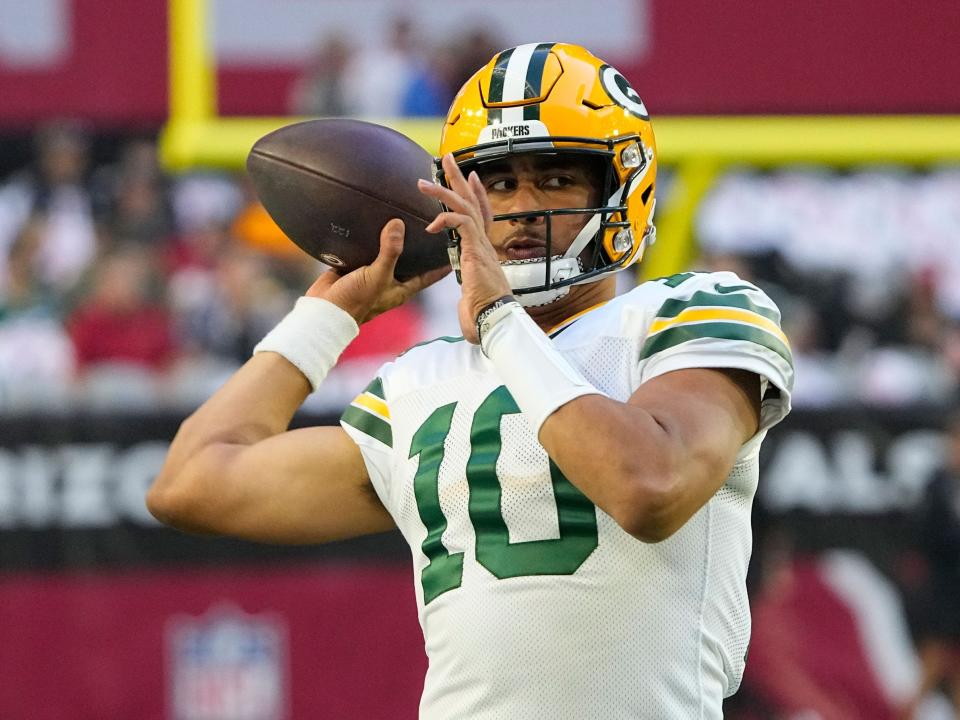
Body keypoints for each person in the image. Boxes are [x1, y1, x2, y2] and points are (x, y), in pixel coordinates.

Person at [148, 43, 794, 718]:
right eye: (498, 183)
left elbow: (650, 486)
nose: (520, 208)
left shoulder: (690, 311)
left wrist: (498, 319)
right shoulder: (418, 384)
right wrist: (329, 316)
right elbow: (190, 483)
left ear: (620, 192)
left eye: (554, 179)